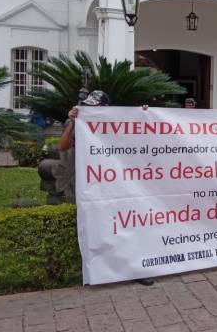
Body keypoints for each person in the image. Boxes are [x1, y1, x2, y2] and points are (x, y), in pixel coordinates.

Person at [58, 91, 156, 286]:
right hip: (95, 185)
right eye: (88, 106)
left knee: (127, 225)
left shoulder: (120, 122)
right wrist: (73, 123)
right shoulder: (83, 124)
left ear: (106, 108)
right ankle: (105, 269)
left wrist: (145, 114)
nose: (90, 110)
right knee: (101, 226)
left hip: (121, 184)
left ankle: (134, 268)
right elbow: (63, 146)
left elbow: (146, 138)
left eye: (95, 106)